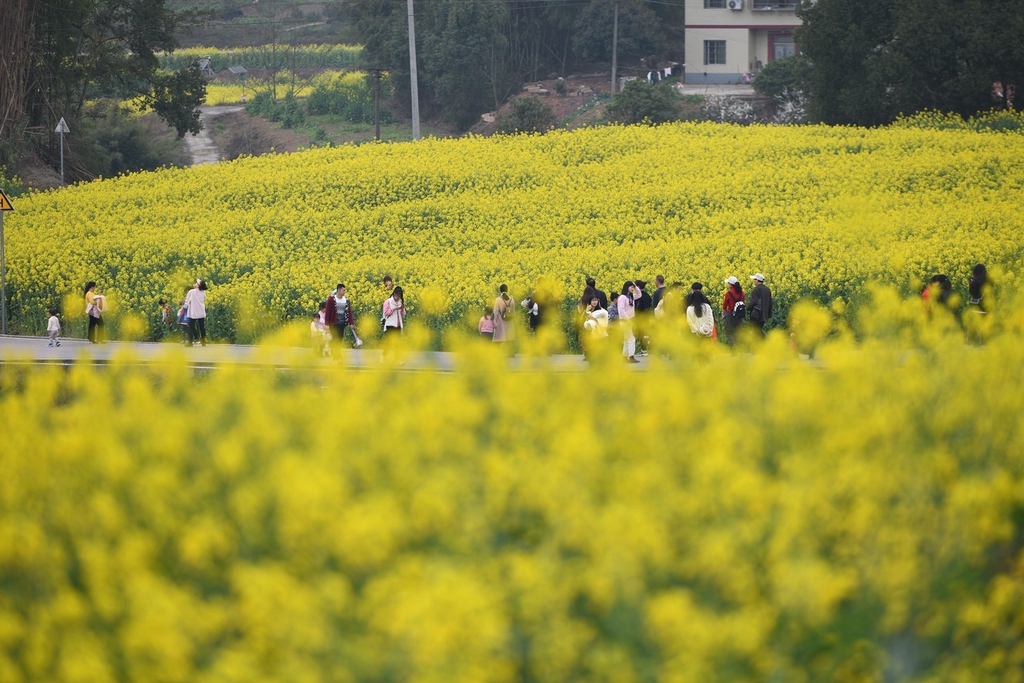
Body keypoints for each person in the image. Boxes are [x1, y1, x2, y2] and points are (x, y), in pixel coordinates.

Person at [325, 284, 364, 348]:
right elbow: (328, 312)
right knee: (334, 338)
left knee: (340, 338)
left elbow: (349, 312)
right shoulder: (331, 300)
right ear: (339, 290)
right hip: (333, 323)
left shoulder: (346, 300)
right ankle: (335, 355)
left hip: (342, 323)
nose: (344, 292)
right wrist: (326, 324)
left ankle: (337, 355)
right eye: (343, 290)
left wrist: (351, 323)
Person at [582, 294, 609, 360]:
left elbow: (590, 317)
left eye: (596, 300)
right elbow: (582, 319)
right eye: (593, 300)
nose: (594, 302)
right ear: (590, 302)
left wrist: (588, 312)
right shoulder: (589, 311)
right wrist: (587, 311)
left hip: (601, 335)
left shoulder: (601, 311)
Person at [617, 281, 640, 363]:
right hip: (625, 321)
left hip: (628, 321)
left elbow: (639, 295)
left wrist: (635, 285)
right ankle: (631, 356)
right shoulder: (622, 297)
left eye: (633, 287)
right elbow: (621, 311)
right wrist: (628, 320)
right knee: (631, 339)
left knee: (627, 339)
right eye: (631, 287)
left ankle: (624, 357)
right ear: (627, 287)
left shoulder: (630, 297)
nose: (633, 289)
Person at [382, 285, 405, 356]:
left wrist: (402, 309)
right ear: (394, 294)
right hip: (390, 325)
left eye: (399, 296)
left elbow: (403, 314)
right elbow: (386, 312)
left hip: (398, 325)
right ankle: (384, 357)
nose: (398, 298)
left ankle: (397, 359)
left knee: (398, 344)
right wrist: (395, 308)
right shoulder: (388, 301)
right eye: (397, 296)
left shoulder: (400, 301)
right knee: (389, 343)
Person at [722, 276, 746, 345]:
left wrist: (723, 314)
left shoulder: (728, 293)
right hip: (740, 315)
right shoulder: (742, 293)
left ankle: (734, 347)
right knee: (738, 331)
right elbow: (744, 303)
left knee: (729, 331)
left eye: (728, 283)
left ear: (730, 284)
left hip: (730, 314)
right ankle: (738, 347)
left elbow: (725, 305)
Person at [185, 279, 208, 346]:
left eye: (196, 283)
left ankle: (190, 342)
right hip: (201, 312)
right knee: (202, 327)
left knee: (190, 326)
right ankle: (203, 342)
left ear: (198, 285)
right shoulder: (203, 292)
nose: (195, 284)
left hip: (193, 312)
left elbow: (187, 302)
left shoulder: (191, 292)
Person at [634, 280, 653, 354]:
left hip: (640, 318)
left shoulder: (638, 296)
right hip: (647, 317)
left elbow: (637, 308)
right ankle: (646, 349)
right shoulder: (647, 295)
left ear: (638, 287)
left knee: (641, 334)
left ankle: (644, 350)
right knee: (646, 334)